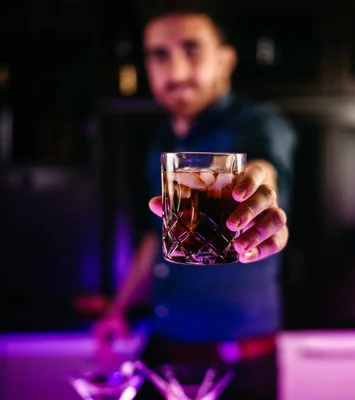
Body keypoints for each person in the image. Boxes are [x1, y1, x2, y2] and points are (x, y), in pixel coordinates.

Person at [94, 1, 298, 398]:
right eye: (160, 54)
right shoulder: (162, 143)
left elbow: (264, 164)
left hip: (237, 369)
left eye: (191, 49)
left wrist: (258, 187)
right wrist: (117, 308)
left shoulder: (258, 124)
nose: (176, 68)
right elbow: (156, 237)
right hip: (163, 353)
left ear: (225, 60)